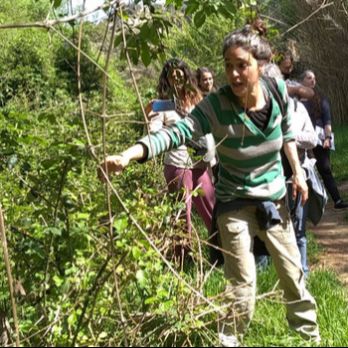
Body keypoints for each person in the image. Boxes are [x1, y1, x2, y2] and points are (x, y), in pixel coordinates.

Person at [99, 26, 320, 346]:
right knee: (242, 286)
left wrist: (297, 172)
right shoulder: (215, 105)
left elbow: (286, 133)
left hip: (274, 200)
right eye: (228, 65)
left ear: (259, 64)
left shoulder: (277, 93)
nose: (233, 73)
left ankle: (309, 339)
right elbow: (172, 134)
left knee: (292, 277)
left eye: (242, 64)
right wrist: (129, 154)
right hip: (233, 204)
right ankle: (228, 341)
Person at [145, 59, 216, 259]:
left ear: (186, 76)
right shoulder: (162, 104)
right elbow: (154, 130)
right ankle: (184, 263)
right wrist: (153, 127)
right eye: (172, 75)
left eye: (180, 74)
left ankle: (222, 255)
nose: (177, 79)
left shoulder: (196, 99)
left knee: (212, 208)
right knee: (182, 215)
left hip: (200, 164)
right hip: (177, 164)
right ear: (166, 79)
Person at [300, 69, 348, 209]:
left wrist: (327, 137)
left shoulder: (321, 99)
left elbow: (327, 121)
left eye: (314, 78)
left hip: (319, 140)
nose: (312, 80)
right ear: (302, 81)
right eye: (309, 78)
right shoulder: (294, 101)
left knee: (325, 170)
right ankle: (305, 207)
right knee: (303, 171)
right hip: (300, 140)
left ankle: (337, 201)